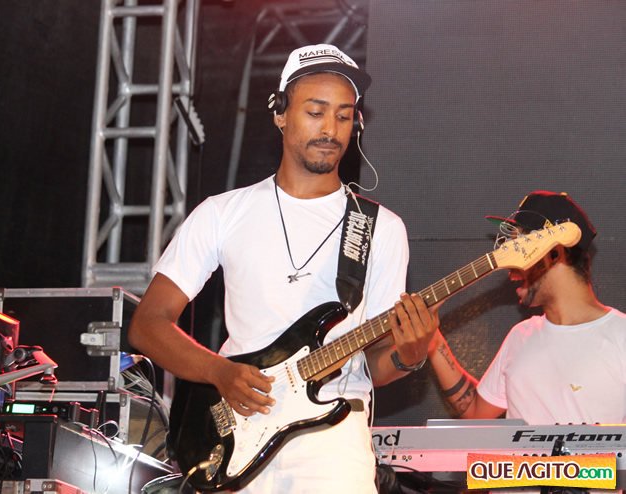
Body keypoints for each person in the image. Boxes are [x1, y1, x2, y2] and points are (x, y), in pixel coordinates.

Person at [127, 44, 438, 493]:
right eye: (315, 112)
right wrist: (218, 371)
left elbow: (374, 364)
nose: (330, 129)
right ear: (280, 114)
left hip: (331, 445)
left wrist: (410, 355)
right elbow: (147, 324)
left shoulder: (380, 228)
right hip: (236, 430)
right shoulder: (222, 212)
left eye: (344, 116)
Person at [427, 191, 626, 424]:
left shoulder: (621, 336)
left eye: (520, 249)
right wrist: (431, 338)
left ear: (553, 253)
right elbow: (475, 412)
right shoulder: (519, 336)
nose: (509, 267)